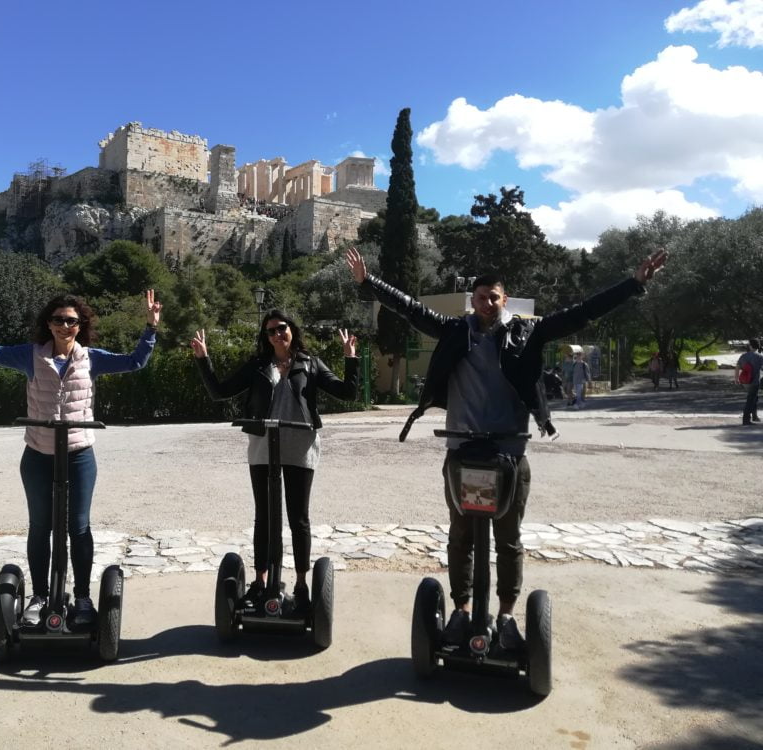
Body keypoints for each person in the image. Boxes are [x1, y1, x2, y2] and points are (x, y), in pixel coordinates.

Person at [345, 245, 666, 649]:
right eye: (480, 297)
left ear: (504, 299)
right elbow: (410, 309)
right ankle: (461, 612)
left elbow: (581, 312)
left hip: (509, 453)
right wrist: (367, 281)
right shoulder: (454, 330)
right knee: (460, 535)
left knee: (509, 538)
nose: (487, 303)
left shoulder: (527, 332)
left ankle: (508, 615)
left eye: (494, 297)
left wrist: (633, 285)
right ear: (472, 300)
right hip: (461, 450)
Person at [0, 273, 160, 627]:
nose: (64, 326)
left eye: (71, 320)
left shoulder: (91, 358)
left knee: (78, 528)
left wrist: (151, 328)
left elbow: (134, 361)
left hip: (79, 454)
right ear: (48, 325)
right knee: (40, 527)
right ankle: (38, 596)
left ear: (81, 326)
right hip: (38, 455)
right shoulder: (30, 357)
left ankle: (81, 598)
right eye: (57, 320)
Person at [191, 311, 359, 613]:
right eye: (270, 331)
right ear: (265, 337)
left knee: (299, 518)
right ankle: (261, 580)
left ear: (291, 329)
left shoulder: (311, 363)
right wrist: (204, 360)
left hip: (299, 443)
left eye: (281, 328)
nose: (276, 334)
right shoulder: (258, 366)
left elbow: (348, 393)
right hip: (263, 444)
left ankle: (301, 583)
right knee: (265, 516)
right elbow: (219, 392)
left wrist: (351, 358)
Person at [735, 338, 763, 426]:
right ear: (758, 346)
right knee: (751, 399)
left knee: (754, 397)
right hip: (754, 381)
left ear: (750, 346)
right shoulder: (760, 357)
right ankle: (746, 419)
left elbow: (737, 367)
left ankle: (754, 416)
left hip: (744, 381)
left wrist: (736, 379)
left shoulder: (743, 356)